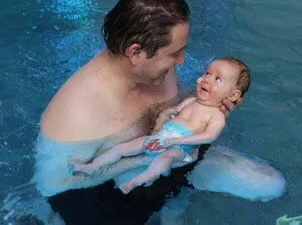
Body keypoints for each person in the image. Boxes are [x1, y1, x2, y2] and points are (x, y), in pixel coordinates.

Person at [33, 0, 285, 224]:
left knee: (269, 183)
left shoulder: (157, 70)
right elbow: (57, 187)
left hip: (172, 154)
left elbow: (185, 111)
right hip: (109, 189)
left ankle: (174, 200)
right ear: (136, 52)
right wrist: (141, 159)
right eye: (175, 53)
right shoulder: (78, 113)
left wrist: (209, 109)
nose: (182, 61)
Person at [70, 57, 251, 194]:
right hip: (160, 138)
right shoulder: (189, 101)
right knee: (122, 148)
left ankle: (137, 181)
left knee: (165, 160)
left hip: (180, 147)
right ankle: (92, 167)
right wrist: (163, 120)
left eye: (217, 79)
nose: (207, 79)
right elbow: (170, 114)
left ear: (233, 95)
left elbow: (209, 136)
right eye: (207, 73)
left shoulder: (216, 115)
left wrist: (173, 142)